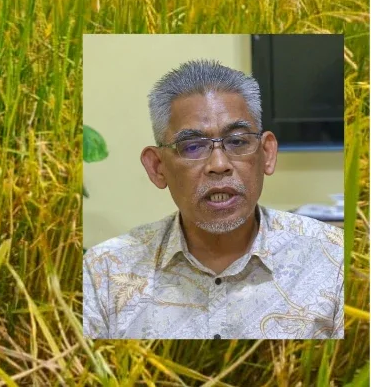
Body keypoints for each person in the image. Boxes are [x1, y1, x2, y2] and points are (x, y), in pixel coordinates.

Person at [83, 59, 344, 339]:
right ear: (157, 167)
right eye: (192, 146)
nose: (219, 165)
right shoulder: (104, 271)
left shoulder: (335, 259)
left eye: (237, 141)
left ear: (267, 154)